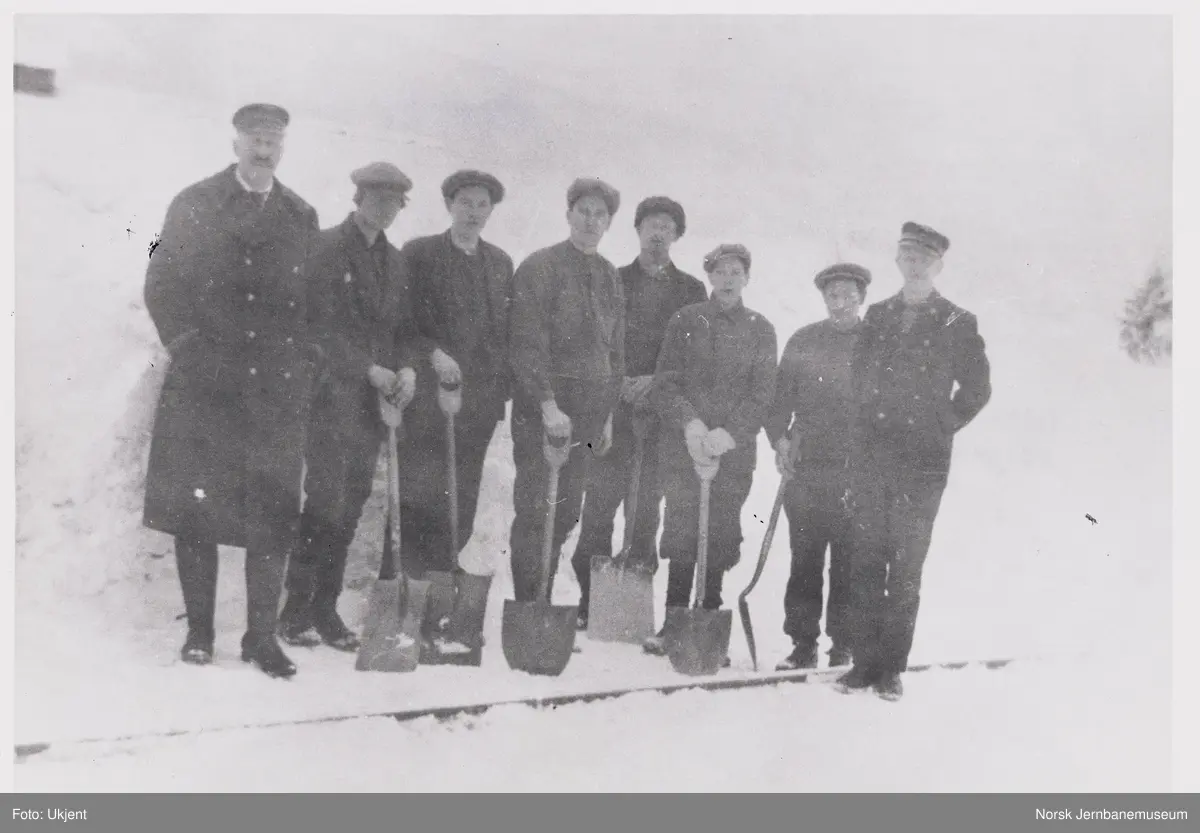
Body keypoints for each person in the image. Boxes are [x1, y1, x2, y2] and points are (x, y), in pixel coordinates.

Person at [142, 103, 321, 679]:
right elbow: (160, 278)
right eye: (254, 138)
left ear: (284, 147)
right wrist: (186, 343)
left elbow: (316, 301)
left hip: (274, 389)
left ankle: (261, 638)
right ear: (236, 141)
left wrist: (305, 360)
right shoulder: (193, 203)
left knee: (271, 513)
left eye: (273, 139)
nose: (263, 148)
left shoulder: (300, 214)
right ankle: (199, 632)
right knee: (197, 508)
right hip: (207, 383)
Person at [838, 222, 991, 701]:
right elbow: (857, 381)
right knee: (865, 559)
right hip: (873, 458)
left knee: (905, 565)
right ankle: (863, 664)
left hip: (922, 464)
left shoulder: (957, 321)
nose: (915, 263)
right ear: (897, 260)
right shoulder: (878, 315)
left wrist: (939, 423)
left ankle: (891, 669)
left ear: (938, 265)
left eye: (924, 257)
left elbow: (977, 389)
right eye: (907, 255)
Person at [276, 162, 421, 652]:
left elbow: (400, 331)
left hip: (371, 408)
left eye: (394, 203)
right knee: (322, 503)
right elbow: (315, 325)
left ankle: (325, 609)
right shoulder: (325, 247)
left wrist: (405, 369)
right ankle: (295, 612)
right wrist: (366, 369)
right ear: (357, 197)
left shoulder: (397, 262)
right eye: (377, 199)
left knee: (351, 505)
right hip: (329, 396)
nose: (385, 209)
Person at [392, 170, 514, 652]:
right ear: (448, 204)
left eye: (482, 204)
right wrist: (431, 354)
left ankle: (443, 604)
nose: (473, 211)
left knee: (460, 501)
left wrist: (495, 391)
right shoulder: (420, 254)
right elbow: (400, 321)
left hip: (476, 405)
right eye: (465, 201)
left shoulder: (499, 264)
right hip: (427, 402)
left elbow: (504, 334)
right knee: (420, 498)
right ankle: (409, 602)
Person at [572, 196, 707, 628]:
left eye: (667, 226)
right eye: (651, 224)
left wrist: (656, 382)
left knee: (646, 510)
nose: (658, 233)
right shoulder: (614, 279)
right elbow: (598, 339)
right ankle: (589, 602)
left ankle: (629, 602)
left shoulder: (691, 291)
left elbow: (692, 355)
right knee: (599, 504)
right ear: (637, 229)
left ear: (677, 235)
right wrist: (621, 382)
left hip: (659, 416)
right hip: (611, 412)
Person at [643, 244, 777, 656]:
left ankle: (708, 615)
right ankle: (674, 620)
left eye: (737, 271)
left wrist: (730, 432)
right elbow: (666, 382)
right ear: (710, 277)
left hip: (733, 453)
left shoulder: (760, 329)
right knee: (683, 528)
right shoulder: (685, 320)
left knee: (720, 531)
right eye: (721, 272)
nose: (729, 279)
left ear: (747, 278)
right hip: (685, 447)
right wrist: (691, 423)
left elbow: (763, 392)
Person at [507, 178, 624, 605]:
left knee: (568, 508)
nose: (591, 221)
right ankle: (528, 604)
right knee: (538, 507)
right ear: (568, 214)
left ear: (608, 222)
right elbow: (526, 340)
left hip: (590, 411)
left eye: (600, 215)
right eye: (584, 211)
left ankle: (544, 599)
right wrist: (546, 404)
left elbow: (616, 350)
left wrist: (607, 412)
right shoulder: (541, 266)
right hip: (546, 407)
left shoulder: (610, 275)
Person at [767, 263, 871, 671]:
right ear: (824, 297)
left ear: (861, 297)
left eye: (848, 294)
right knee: (805, 559)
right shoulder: (804, 341)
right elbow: (778, 404)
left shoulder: (874, 344)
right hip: (807, 468)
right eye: (833, 295)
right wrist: (779, 439)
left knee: (848, 560)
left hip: (855, 470)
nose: (840, 303)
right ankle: (802, 644)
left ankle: (843, 646)